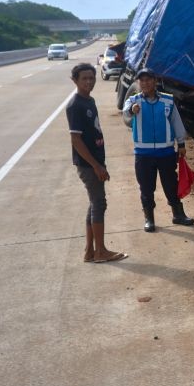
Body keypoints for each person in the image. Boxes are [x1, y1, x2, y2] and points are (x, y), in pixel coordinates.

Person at [67, 63, 128, 263]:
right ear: (74, 80)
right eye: (84, 78)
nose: (88, 82)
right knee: (99, 203)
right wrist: (95, 165)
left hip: (95, 160)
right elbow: (76, 140)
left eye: (91, 78)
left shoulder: (89, 101)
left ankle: (90, 251)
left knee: (94, 203)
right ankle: (100, 251)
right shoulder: (76, 105)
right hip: (88, 164)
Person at [122, 68, 194, 232]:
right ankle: (149, 218)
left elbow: (176, 122)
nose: (145, 83)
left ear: (155, 82)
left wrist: (181, 144)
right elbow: (126, 112)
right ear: (138, 83)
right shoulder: (134, 101)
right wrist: (131, 110)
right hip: (143, 154)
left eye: (148, 80)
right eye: (142, 80)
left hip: (166, 152)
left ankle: (178, 215)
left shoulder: (168, 101)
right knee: (146, 188)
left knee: (171, 185)